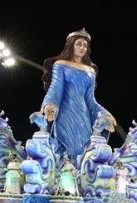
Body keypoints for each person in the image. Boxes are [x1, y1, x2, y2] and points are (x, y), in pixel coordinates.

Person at [41, 29, 116, 163]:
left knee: (85, 151)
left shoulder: (91, 71)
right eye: (78, 44)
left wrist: (105, 114)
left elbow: (91, 100)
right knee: (66, 150)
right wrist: (50, 104)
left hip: (84, 117)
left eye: (85, 45)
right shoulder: (61, 65)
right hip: (65, 115)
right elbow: (55, 89)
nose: (82, 48)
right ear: (71, 45)